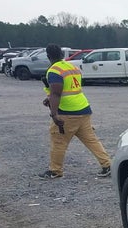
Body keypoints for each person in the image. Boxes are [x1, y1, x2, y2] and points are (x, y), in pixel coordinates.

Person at [38, 43, 111, 179]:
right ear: (61, 54)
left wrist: (54, 114)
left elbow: (56, 94)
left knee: (58, 141)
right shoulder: (72, 67)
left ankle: (55, 170)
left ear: (48, 56)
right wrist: (50, 99)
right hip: (83, 108)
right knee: (91, 140)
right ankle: (107, 165)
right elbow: (69, 89)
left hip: (67, 112)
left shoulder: (54, 70)